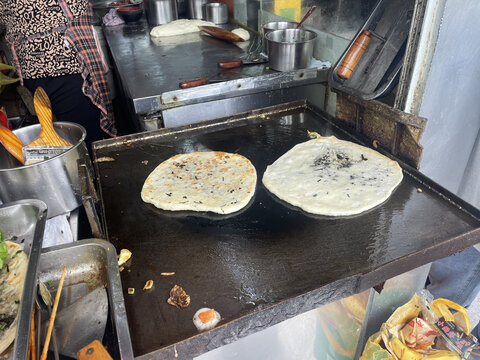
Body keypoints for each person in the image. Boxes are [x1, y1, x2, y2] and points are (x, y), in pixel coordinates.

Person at [0, 0, 117, 145]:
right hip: (59, 65)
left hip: (44, 65)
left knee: (74, 133)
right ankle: (89, 163)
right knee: (84, 138)